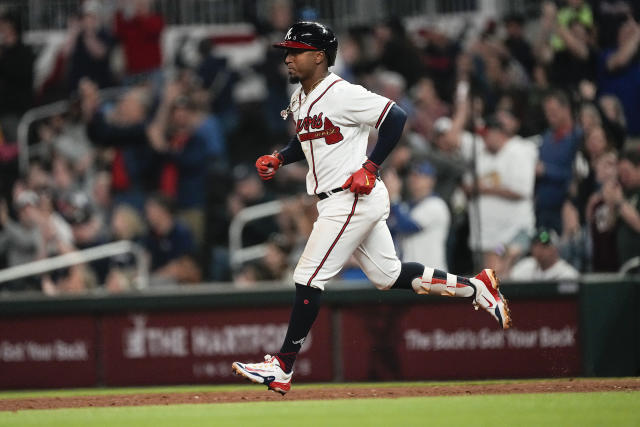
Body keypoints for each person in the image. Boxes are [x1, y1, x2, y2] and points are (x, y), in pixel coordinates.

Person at [231, 21, 512, 395]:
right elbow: (310, 140)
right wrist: (281, 158)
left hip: (350, 195)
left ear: (319, 56)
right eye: (287, 51)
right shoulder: (300, 98)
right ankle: (476, 287)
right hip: (344, 197)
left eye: (295, 51)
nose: (288, 58)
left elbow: (395, 117)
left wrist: (371, 165)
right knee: (387, 274)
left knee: (308, 276)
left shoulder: (342, 93)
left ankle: (283, 365)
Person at [509, 227, 579, 281]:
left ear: (554, 249)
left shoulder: (566, 274)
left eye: (544, 246)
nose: (539, 250)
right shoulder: (527, 266)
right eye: (536, 246)